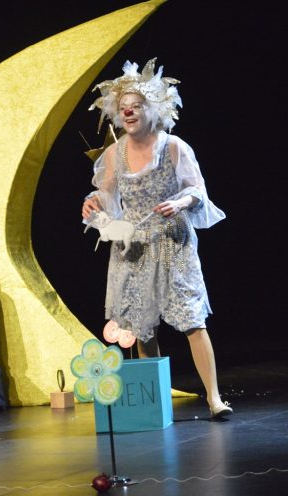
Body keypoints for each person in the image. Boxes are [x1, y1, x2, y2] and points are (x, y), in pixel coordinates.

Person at [82, 58, 233, 418]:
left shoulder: (174, 147)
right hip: (133, 245)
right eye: (124, 107)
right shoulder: (114, 154)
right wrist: (93, 203)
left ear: (153, 108)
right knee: (141, 325)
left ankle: (214, 398)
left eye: (136, 105)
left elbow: (198, 191)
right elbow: (107, 195)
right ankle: (156, 402)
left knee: (192, 319)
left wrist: (179, 201)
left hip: (172, 242)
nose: (129, 112)